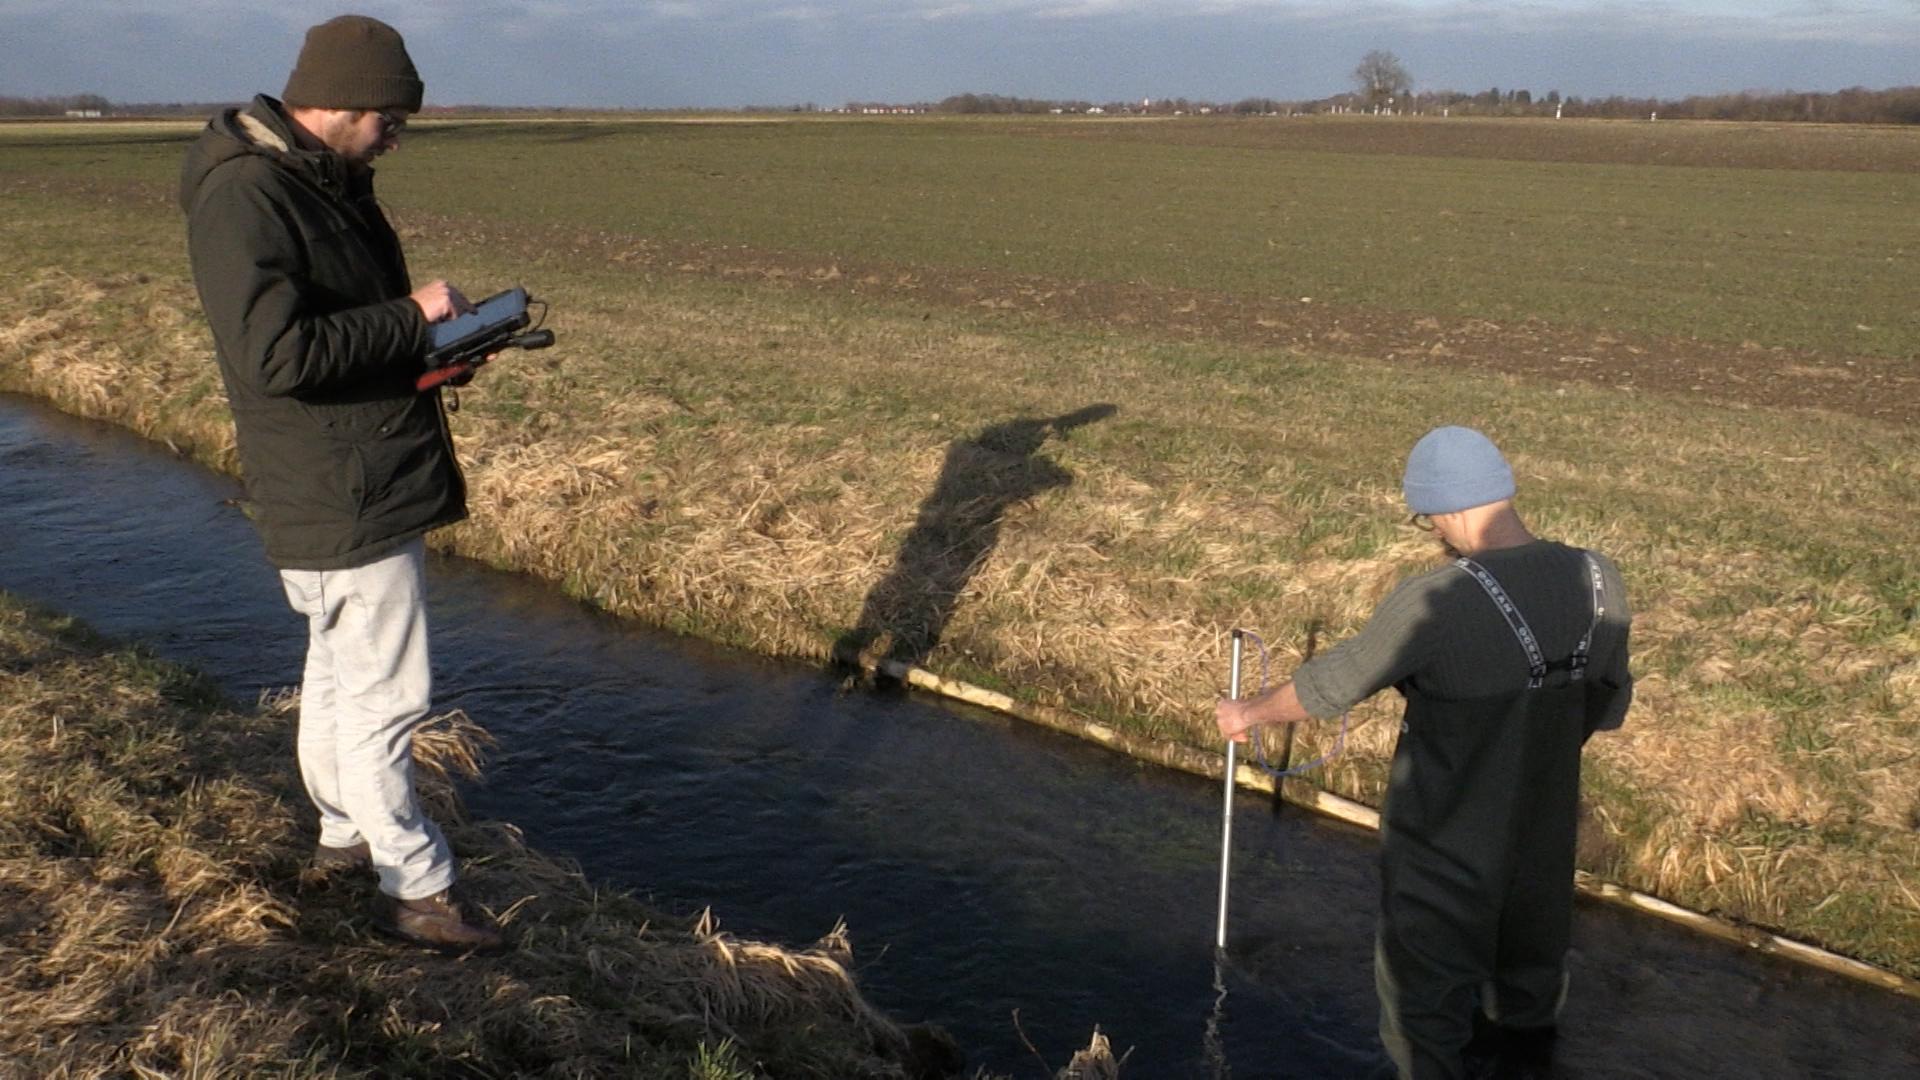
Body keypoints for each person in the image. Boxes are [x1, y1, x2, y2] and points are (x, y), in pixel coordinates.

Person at [179, 14, 501, 952]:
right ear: (343, 104)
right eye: (391, 120)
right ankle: (417, 889)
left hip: (347, 465)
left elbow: (330, 333)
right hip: (339, 482)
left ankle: (343, 838)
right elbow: (276, 355)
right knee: (387, 697)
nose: (398, 137)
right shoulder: (252, 195)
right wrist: (410, 317)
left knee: (337, 671)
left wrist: (429, 357)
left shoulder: (320, 178)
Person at [1216, 426, 1632, 1079]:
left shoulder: (1438, 600)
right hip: (1542, 856)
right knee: (1526, 1015)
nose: (1433, 533)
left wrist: (1247, 713)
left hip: (1441, 857)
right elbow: (1606, 707)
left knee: (1423, 1026)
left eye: (1427, 518)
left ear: (1447, 509)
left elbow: (1331, 685)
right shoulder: (1599, 580)